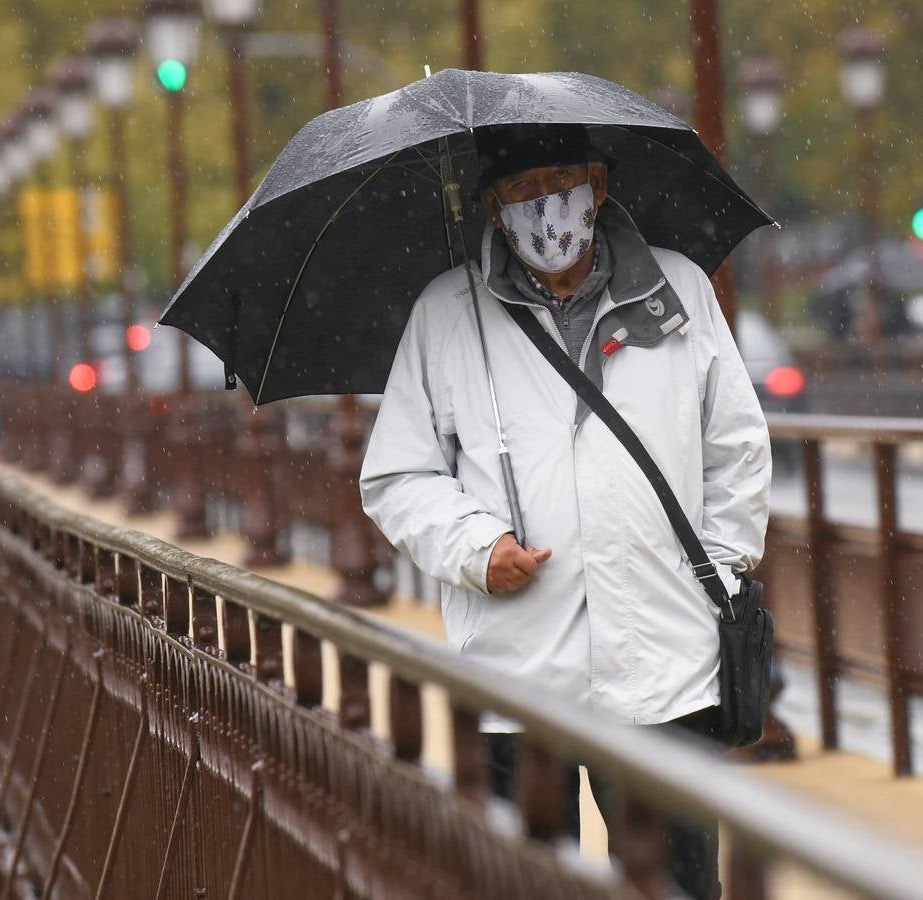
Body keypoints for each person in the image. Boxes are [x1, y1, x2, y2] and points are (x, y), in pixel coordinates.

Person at [359, 123, 771, 899]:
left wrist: (715, 565)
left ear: (600, 185)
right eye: (520, 192)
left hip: (665, 670)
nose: (546, 210)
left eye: (563, 183)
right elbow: (396, 473)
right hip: (517, 674)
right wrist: (475, 547)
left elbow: (737, 446)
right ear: (489, 207)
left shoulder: (677, 290)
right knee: (523, 882)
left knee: (676, 887)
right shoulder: (449, 315)